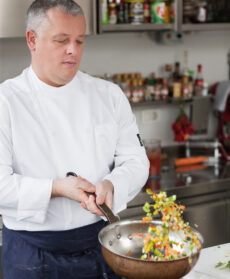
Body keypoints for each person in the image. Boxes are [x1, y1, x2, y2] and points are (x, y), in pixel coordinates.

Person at [0, 0, 149, 278]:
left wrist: (112, 184)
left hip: (102, 244)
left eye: (80, 41)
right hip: (32, 253)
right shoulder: (6, 102)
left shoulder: (109, 95)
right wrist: (56, 188)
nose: (73, 50)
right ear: (32, 39)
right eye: (62, 40)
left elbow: (136, 161)